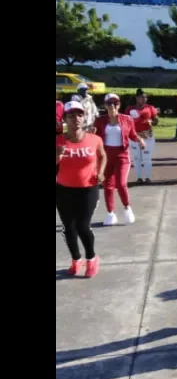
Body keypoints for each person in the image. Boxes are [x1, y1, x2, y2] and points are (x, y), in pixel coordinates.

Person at [57, 100, 107, 277]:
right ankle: (75, 259)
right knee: (68, 227)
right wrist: (57, 156)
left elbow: (102, 155)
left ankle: (91, 258)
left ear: (84, 117)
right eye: (71, 116)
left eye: (79, 115)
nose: (75, 119)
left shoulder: (94, 139)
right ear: (65, 119)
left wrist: (100, 172)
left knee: (82, 226)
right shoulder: (58, 141)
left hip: (88, 189)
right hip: (63, 190)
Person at [93, 93, 147, 226]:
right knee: (108, 186)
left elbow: (132, 134)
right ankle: (110, 213)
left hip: (122, 155)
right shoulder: (100, 121)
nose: (112, 106)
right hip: (106, 156)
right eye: (109, 103)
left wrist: (140, 140)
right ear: (105, 105)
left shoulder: (127, 119)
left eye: (115, 103)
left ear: (119, 105)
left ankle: (127, 208)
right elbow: (95, 137)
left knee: (121, 183)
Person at [126, 89, 158, 184]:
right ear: (137, 98)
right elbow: (125, 122)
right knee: (136, 158)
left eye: (145, 97)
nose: (144, 99)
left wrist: (151, 122)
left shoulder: (150, 108)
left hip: (147, 136)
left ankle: (147, 178)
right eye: (141, 97)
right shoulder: (130, 109)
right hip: (134, 136)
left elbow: (156, 121)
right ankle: (139, 178)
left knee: (147, 157)